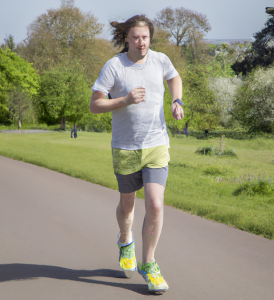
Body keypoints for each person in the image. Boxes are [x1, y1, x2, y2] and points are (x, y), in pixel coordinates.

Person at [89, 15, 184, 294]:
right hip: (125, 147)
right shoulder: (115, 66)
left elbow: (174, 77)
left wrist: (177, 100)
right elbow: (95, 105)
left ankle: (149, 264)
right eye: (135, 37)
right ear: (126, 39)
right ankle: (125, 239)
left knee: (155, 204)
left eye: (145, 37)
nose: (141, 42)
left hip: (156, 144)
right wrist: (125, 100)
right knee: (128, 206)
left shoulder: (161, 60)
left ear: (149, 38)